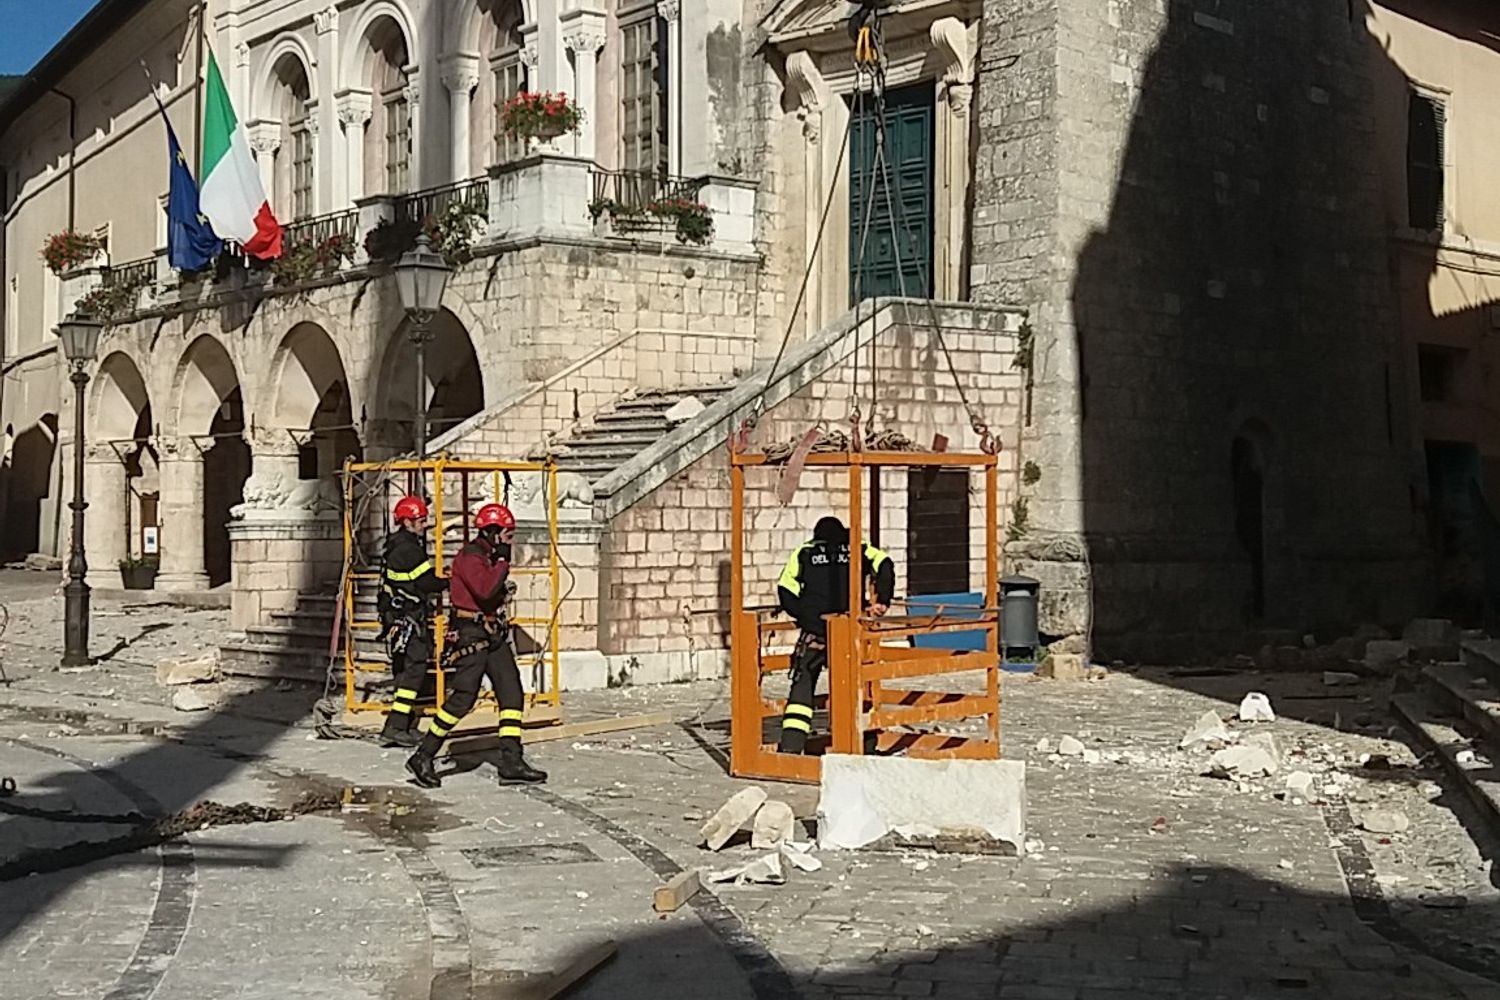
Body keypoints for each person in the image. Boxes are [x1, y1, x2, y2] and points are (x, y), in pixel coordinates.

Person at [405, 502, 547, 788]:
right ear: (493, 533)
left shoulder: (487, 555)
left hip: (492, 634)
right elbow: (484, 590)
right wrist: (503, 565)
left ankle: (511, 761)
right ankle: (424, 754)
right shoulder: (471, 557)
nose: (510, 541)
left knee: (511, 694)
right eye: (507, 535)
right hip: (471, 633)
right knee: (463, 698)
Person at [774, 515, 895, 754]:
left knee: (803, 685)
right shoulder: (858, 548)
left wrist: (807, 618)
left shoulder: (805, 552)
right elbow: (885, 564)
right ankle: (863, 744)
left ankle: (791, 747)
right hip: (849, 629)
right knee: (853, 686)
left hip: (815, 633)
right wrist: (882, 600)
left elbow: (785, 589)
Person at [379, 495, 447, 747]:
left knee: (404, 669)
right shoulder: (409, 549)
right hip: (408, 617)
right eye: (420, 520)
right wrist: (448, 582)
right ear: (406, 522)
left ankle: (401, 724)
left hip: (397, 617)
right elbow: (426, 582)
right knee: (416, 667)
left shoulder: (396, 545)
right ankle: (396, 725)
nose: (425, 524)